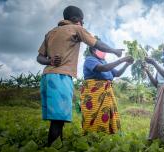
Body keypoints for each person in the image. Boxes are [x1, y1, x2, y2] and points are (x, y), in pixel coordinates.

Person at [36, 5, 123, 146]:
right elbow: (97, 43)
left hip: (47, 77)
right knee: (58, 120)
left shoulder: (50, 33)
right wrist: (114, 51)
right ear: (76, 19)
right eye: (82, 21)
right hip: (61, 77)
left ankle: (58, 145)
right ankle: (52, 147)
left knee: (56, 119)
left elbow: (39, 58)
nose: (83, 24)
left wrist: (50, 61)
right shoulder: (77, 29)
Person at [80, 46, 134, 134]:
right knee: (92, 114)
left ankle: (106, 134)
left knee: (106, 113)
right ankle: (91, 135)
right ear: (94, 50)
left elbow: (117, 73)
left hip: (106, 90)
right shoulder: (90, 60)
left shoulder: (104, 62)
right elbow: (103, 68)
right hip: (94, 92)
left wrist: (126, 64)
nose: (105, 52)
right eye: (102, 50)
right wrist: (122, 60)